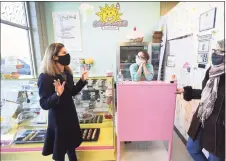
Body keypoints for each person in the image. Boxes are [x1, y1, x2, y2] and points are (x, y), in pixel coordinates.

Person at [38, 43, 88, 161]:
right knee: (59, 153)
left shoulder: (67, 73)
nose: (67, 55)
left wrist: (82, 81)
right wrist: (57, 95)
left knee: (71, 148)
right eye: (64, 53)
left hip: (70, 116)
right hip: (58, 120)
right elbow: (44, 104)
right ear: (54, 57)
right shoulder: (45, 77)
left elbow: (72, 92)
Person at [177, 39, 225, 161]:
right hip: (203, 118)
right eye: (214, 50)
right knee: (192, 148)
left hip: (220, 125)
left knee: (215, 158)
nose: (215, 53)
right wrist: (187, 91)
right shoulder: (212, 71)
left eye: (220, 51)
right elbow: (206, 93)